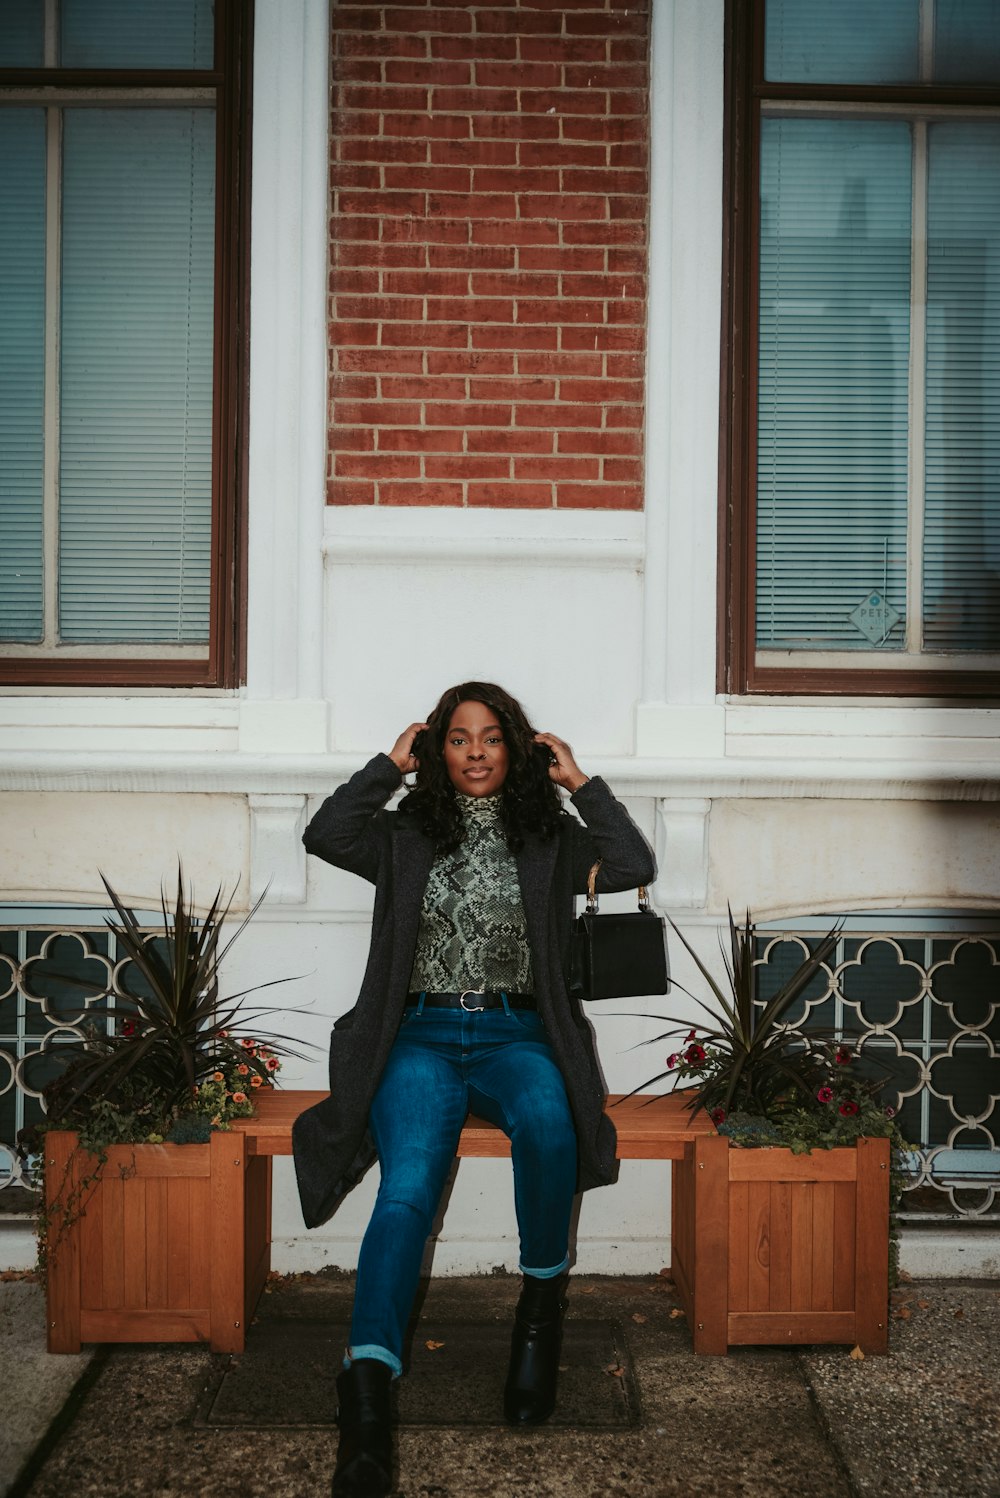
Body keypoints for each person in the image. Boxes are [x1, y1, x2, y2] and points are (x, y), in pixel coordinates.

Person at [292, 682, 655, 1498]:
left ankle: (539, 1315)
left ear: (517, 748)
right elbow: (324, 833)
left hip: (516, 1035)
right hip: (416, 1035)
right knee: (408, 1188)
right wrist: (385, 768)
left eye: (493, 737)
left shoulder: (547, 837)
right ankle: (368, 1405)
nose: (477, 752)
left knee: (550, 1122)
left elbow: (633, 864)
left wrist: (580, 783)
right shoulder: (402, 832)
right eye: (459, 739)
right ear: (438, 752)